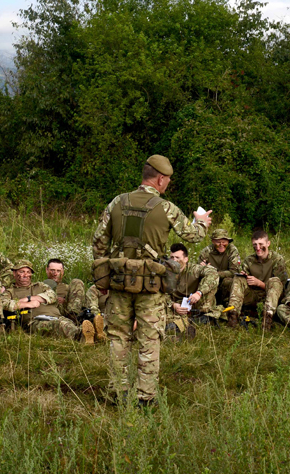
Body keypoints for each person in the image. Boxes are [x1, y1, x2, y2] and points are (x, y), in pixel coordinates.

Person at [91, 154, 211, 405]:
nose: (167, 185)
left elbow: (99, 242)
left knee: (118, 338)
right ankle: (145, 397)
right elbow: (193, 236)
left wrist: (104, 276)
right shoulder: (166, 208)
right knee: (149, 339)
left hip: (119, 283)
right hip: (151, 288)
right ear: (160, 178)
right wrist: (202, 222)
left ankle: (117, 393)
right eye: (167, 180)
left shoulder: (116, 202)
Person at [1, 260, 95, 343]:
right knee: (59, 326)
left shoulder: (40, 285)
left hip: (56, 316)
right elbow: (4, 304)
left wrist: (29, 298)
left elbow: (52, 295)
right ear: (14, 273)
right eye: (22, 272)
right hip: (35, 321)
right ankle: (83, 336)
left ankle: (92, 334)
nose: (26, 275)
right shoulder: (10, 291)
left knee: (66, 323)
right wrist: (27, 304)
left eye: (28, 272)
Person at [226, 230, 287, 330]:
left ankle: (267, 319)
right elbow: (244, 281)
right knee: (238, 278)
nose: (258, 248)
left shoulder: (277, 260)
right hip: (252, 295)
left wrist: (259, 283)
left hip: (270, 298)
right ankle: (233, 315)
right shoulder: (249, 260)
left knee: (275, 281)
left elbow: (280, 286)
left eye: (261, 244)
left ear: (268, 243)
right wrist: (245, 277)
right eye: (255, 244)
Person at [166, 243, 219, 338]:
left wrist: (199, 293)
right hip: (176, 305)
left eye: (177, 257)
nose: (174, 260)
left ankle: (201, 316)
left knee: (210, 284)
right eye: (172, 257)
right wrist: (173, 305)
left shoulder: (194, 269)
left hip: (195, 302)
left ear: (186, 259)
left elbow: (213, 274)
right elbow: (161, 293)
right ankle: (185, 324)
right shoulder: (166, 272)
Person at [197, 229, 242, 306]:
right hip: (210, 281)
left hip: (224, 281)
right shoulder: (206, 251)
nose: (221, 244)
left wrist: (214, 273)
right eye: (218, 242)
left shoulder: (232, 250)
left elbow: (234, 271)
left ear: (228, 241)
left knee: (230, 282)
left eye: (224, 242)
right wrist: (202, 268)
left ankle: (226, 304)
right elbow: (198, 270)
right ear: (213, 241)